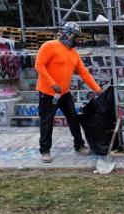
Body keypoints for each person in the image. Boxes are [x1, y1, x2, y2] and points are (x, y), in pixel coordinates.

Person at [34, 22, 102, 163]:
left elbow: (84, 73)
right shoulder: (49, 46)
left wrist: (97, 90)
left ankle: (79, 145)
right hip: (47, 92)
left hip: (64, 93)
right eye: (76, 37)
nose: (78, 40)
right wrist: (52, 84)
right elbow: (39, 65)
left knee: (73, 118)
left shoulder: (74, 54)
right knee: (46, 122)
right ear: (68, 35)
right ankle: (45, 151)